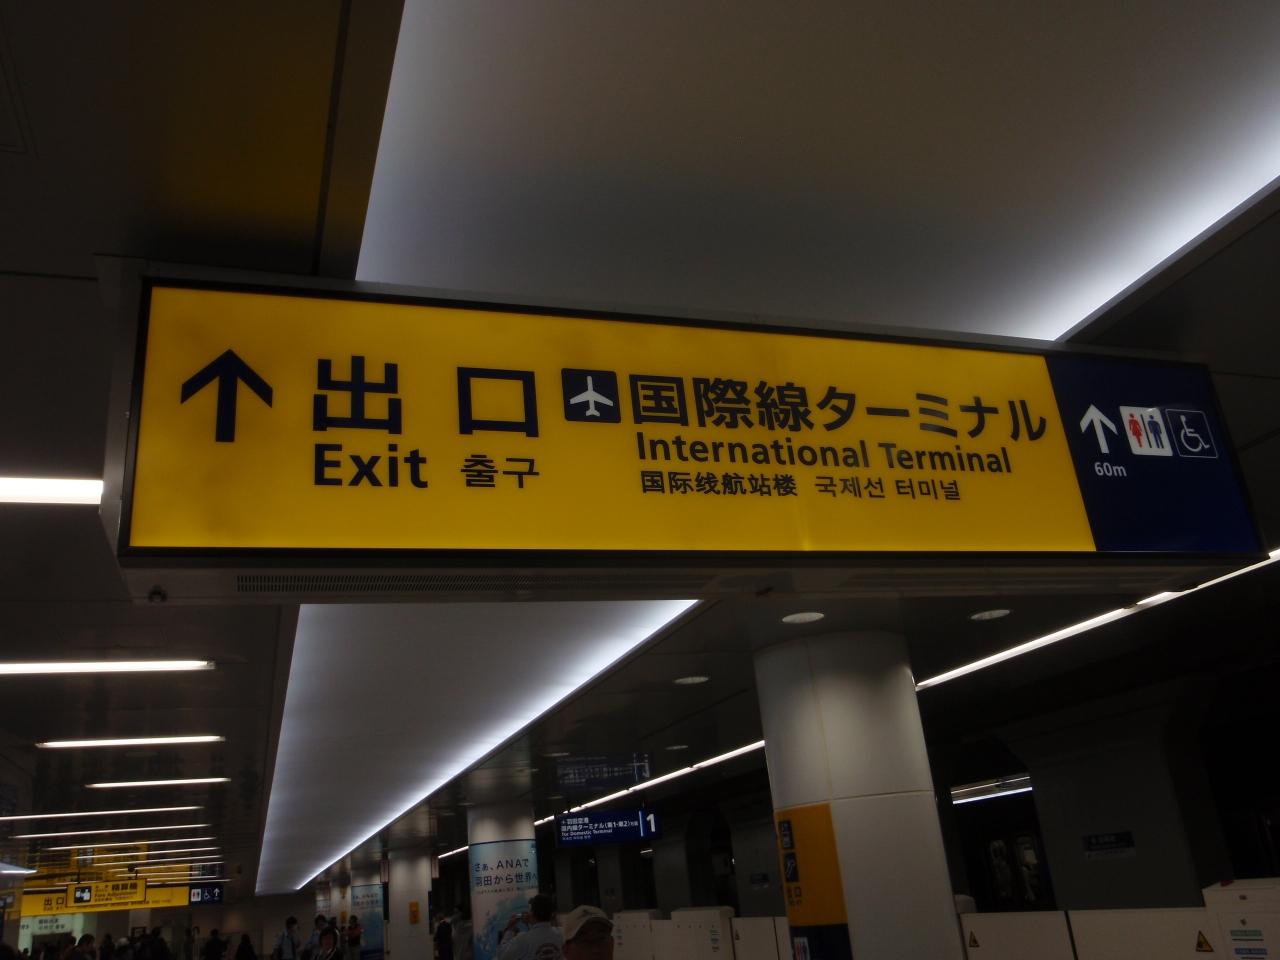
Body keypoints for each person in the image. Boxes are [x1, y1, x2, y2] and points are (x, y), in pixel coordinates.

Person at [497, 895, 561, 960]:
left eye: (530, 910)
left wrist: (510, 929)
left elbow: (502, 955)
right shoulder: (560, 934)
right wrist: (532, 922)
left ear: (532, 913)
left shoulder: (522, 939)